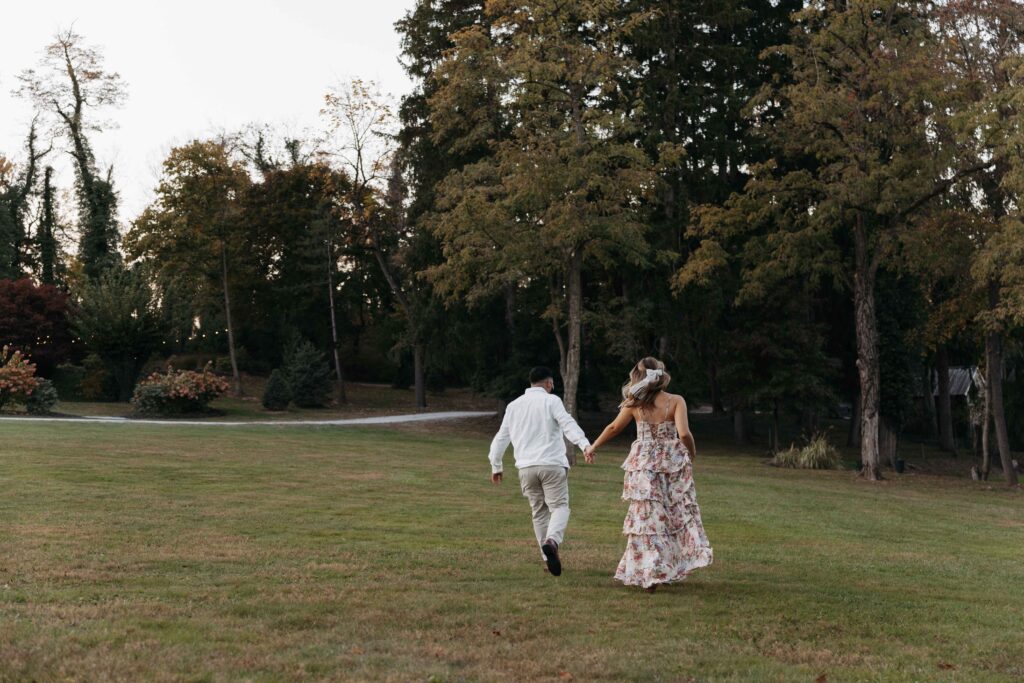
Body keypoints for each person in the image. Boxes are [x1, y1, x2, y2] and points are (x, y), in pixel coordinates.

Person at [585, 357, 712, 592]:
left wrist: (593, 447)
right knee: (675, 514)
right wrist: (691, 452)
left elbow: (613, 427)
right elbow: (684, 434)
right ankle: (665, 568)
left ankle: (649, 571)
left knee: (647, 519)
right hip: (672, 464)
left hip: (643, 464)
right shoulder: (676, 401)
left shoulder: (634, 403)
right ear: (662, 375)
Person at [488, 366, 591, 576]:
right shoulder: (551, 400)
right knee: (560, 506)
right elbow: (567, 423)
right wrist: (584, 445)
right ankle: (552, 542)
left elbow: (501, 437)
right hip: (551, 464)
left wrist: (496, 465)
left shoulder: (514, 405)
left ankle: (547, 559)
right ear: (549, 383)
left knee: (539, 513)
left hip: (526, 468)